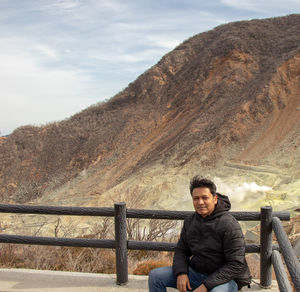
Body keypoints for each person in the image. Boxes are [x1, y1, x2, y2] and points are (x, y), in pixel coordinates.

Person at [148, 176, 252, 292]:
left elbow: (236, 264)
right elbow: (182, 250)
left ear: (215, 199)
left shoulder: (229, 224)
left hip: (226, 279)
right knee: (155, 276)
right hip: (196, 272)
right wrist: (181, 273)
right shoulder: (190, 221)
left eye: (205, 198)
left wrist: (206, 286)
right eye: (196, 198)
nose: (200, 202)